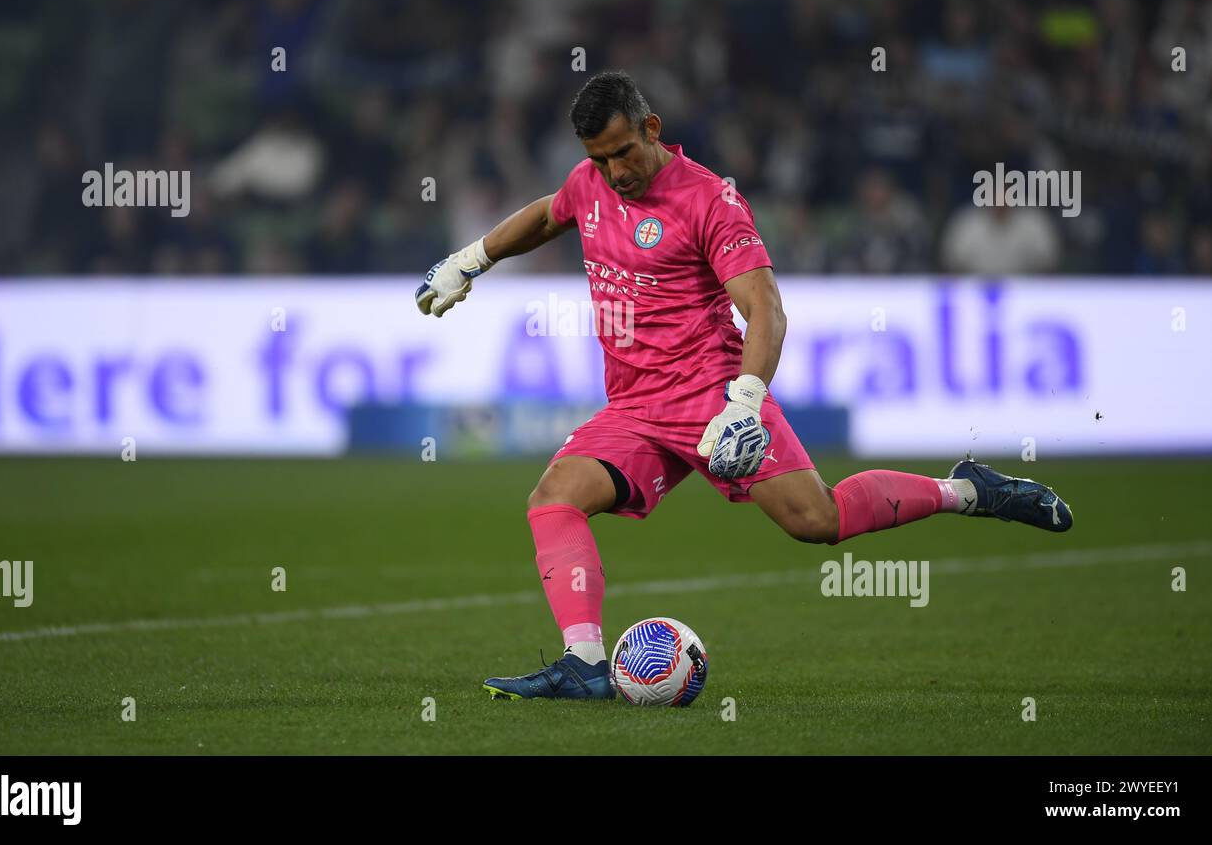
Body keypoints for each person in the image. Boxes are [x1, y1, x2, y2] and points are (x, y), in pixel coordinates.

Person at [416, 71, 1073, 701]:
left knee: (818, 521)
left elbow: (766, 309)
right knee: (553, 497)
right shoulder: (590, 184)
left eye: (623, 152)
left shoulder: (709, 199)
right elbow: (547, 215)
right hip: (636, 407)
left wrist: (745, 403)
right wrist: (470, 260)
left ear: (652, 127)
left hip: (711, 395)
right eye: (600, 158)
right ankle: (586, 664)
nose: (615, 171)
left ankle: (965, 490)